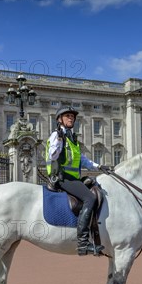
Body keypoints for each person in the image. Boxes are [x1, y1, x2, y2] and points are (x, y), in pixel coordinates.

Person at [46, 106, 104, 256]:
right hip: (61, 177)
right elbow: (52, 155)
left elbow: (82, 160)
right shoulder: (56, 135)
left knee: (94, 187)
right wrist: (59, 139)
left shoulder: (73, 139)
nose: (71, 118)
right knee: (89, 198)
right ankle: (83, 243)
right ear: (60, 119)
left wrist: (100, 167)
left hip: (73, 178)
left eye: (72, 116)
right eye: (67, 116)